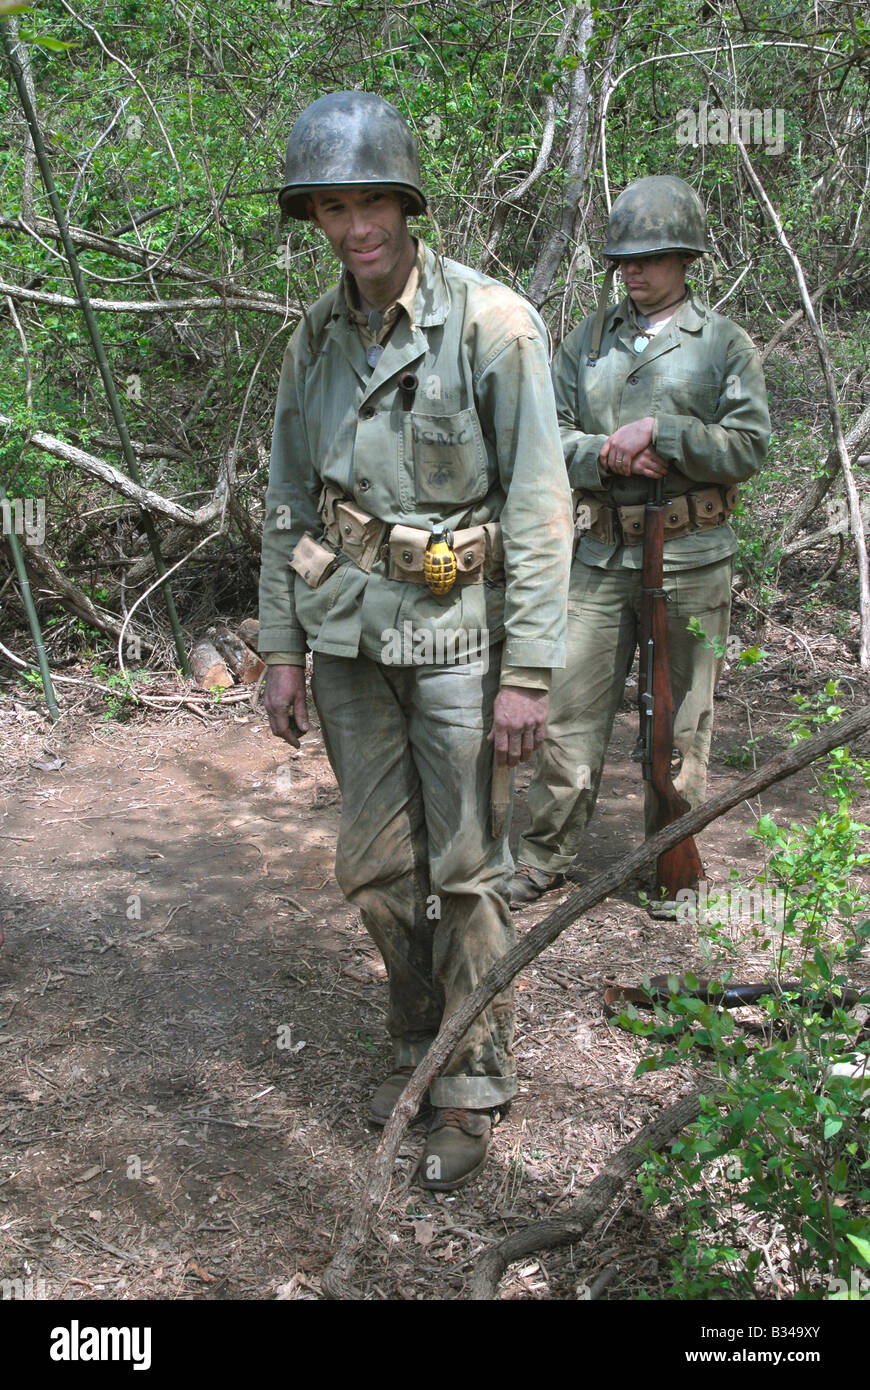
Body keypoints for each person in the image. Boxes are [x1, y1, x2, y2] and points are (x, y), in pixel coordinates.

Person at [258, 91, 573, 1188]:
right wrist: (280, 649)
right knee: (381, 869)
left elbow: (539, 507)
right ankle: (418, 1036)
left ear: (409, 201)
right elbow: (287, 495)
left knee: (465, 867)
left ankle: (470, 1080)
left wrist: (528, 671)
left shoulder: (494, 324)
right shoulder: (315, 334)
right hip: (346, 635)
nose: (356, 227)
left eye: (374, 201)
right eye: (333, 207)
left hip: (458, 637)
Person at [510, 175, 770, 909]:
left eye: (650, 256)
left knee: (683, 721)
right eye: (624, 257)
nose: (634, 269)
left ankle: (670, 861)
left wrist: (667, 434)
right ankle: (543, 857)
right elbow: (545, 437)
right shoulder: (586, 342)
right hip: (598, 555)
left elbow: (750, 446)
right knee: (568, 713)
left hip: (691, 557)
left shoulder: (722, 343)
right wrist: (606, 454)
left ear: (684, 258)